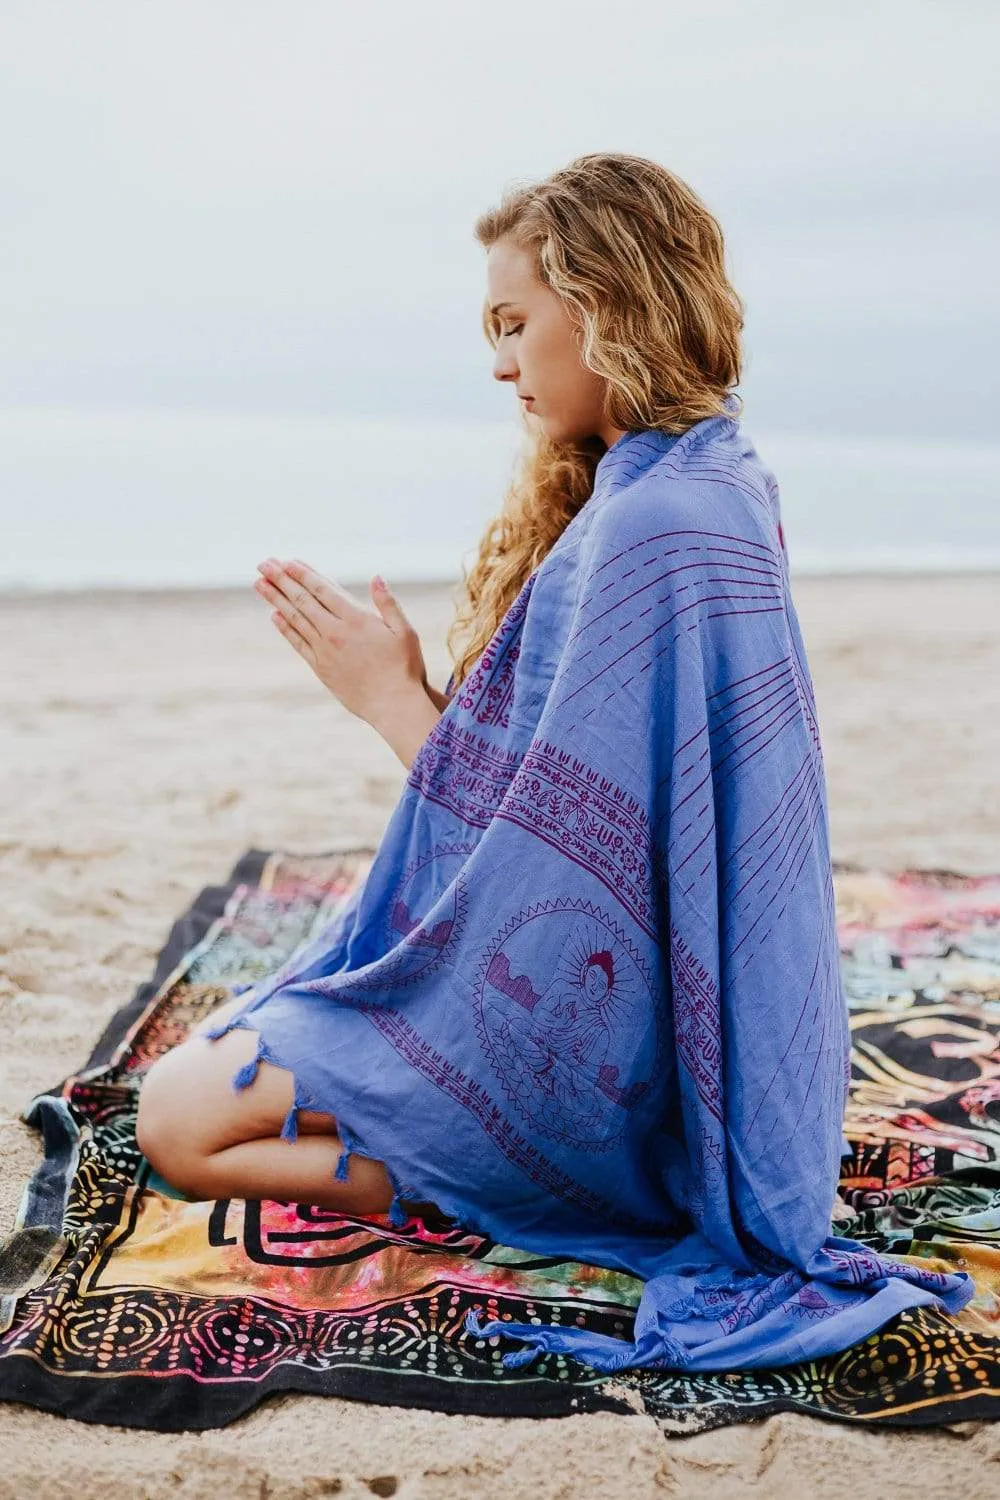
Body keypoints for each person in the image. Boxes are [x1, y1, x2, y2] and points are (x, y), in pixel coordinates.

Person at [136, 152, 972, 1374]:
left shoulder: (651, 524)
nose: (499, 361)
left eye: (514, 323)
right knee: (266, 1033)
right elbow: (581, 828)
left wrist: (387, 699)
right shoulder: (714, 480)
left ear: (611, 301)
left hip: (603, 1043)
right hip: (669, 1022)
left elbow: (544, 867)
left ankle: (506, 1187)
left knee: (178, 1120)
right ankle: (499, 1163)